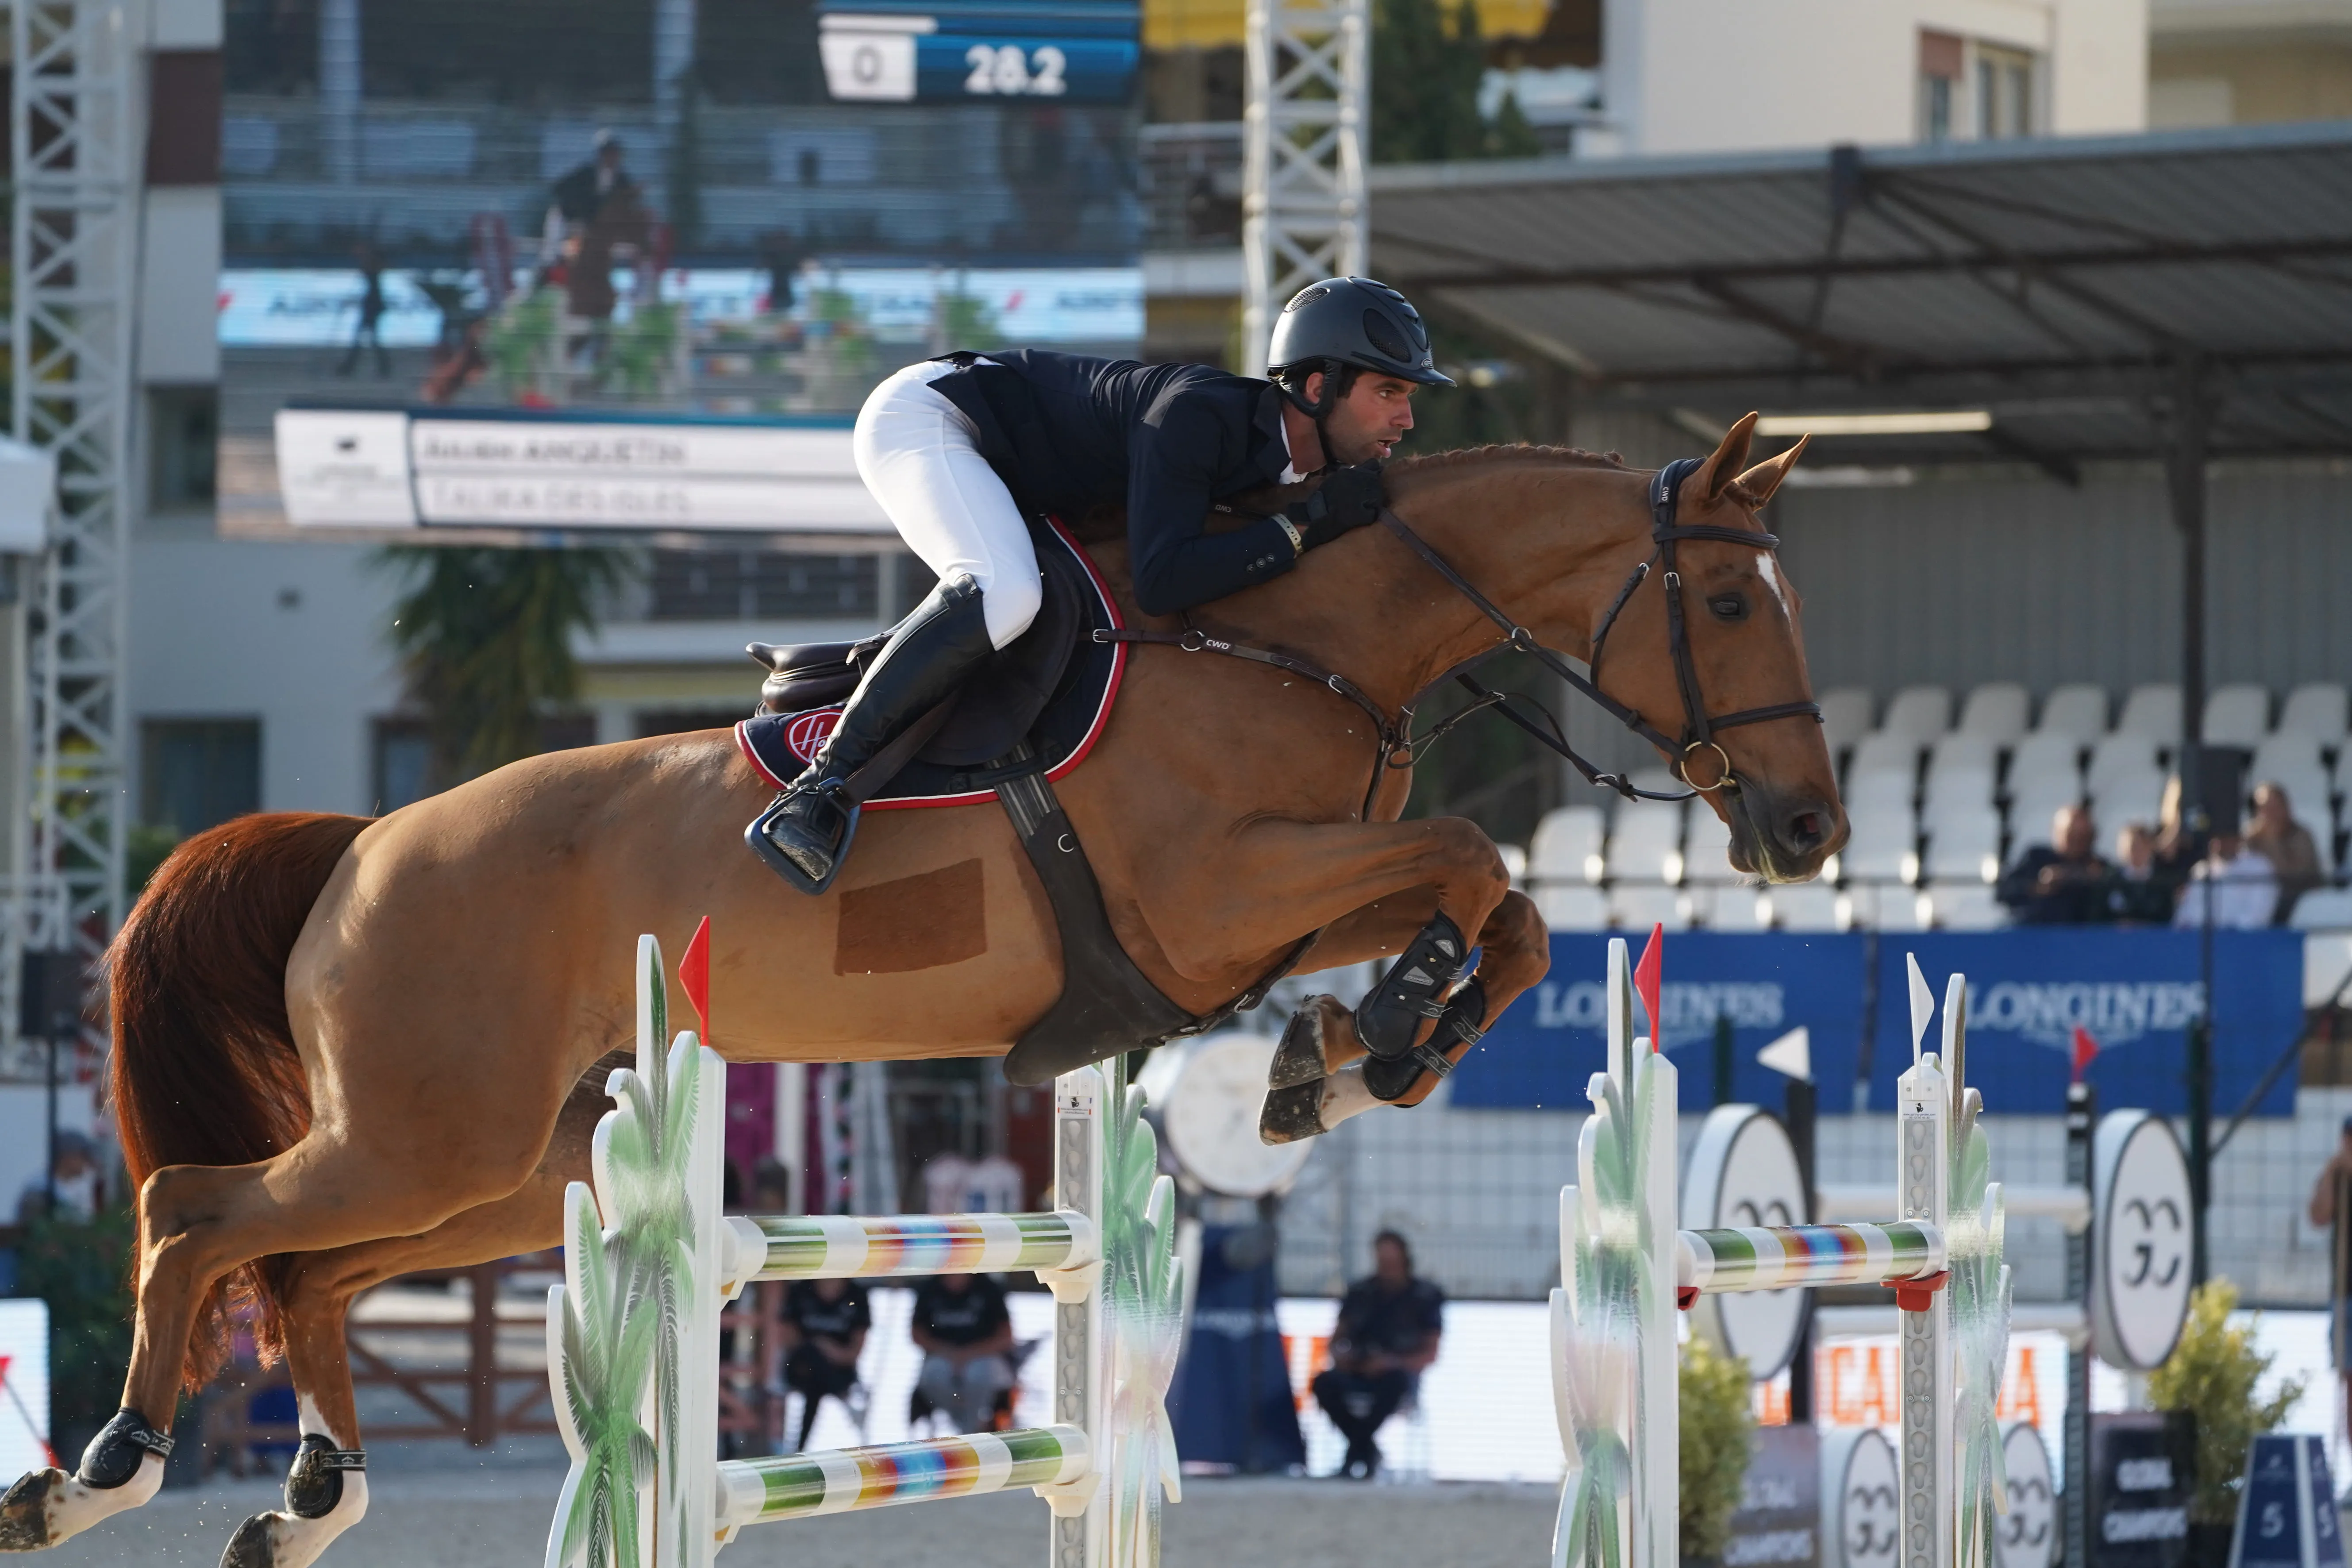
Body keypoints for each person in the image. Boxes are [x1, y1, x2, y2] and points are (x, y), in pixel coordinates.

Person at [747, 276, 1454, 893]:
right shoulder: (1197, 415)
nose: (1406, 417)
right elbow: (1162, 580)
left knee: (1026, 600)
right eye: (1387, 390)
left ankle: (880, 668)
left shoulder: (1295, 469)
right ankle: (819, 790)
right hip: (932, 417)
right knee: (1005, 593)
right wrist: (1305, 530)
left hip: (1020, 472)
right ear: (1316, 386)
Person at [1311, 1230, 1443, 1479]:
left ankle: (1357, 1454)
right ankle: (1365, 1450)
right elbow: (1337, 1341)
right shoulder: (1361, 1293)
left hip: (1396, 1375)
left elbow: (1430, 1353)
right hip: (1357, 1371)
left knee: (1395, 1383)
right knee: (1323, 1383)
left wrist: (1391, 1362)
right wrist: (1347, 1359)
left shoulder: (1424, 1297)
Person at [908, 1271, 1016, 1433]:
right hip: (942, 1357)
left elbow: (1006, 1337)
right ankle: (959, 1426)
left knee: (979, 1374)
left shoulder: (988, 1288)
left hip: (984, 1358)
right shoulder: (930, 1288)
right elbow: (917, 1334)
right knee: (934, 1374)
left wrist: (969, 1354)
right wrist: (949, 1354)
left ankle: (976, 1428)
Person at [776, 1277, 870, 1452]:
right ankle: (801, 1447)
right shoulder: (801, 1290)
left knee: (816, 1379)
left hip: (838, 1373)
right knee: (812, 1365)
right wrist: (821, 1347)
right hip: (801, 1369)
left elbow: (854, 1352)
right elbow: (787, 1338)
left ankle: (800, 1448)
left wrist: (827, 1349)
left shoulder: (856, 1295)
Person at [1995, 804, 2114, 924]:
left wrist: (2097, 882)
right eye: (2071, 835)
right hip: (2036, 931)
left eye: (2083, 836)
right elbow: (2004, 893)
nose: (2077, 841)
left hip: (2083, 934)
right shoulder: (2036, 858)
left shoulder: (2100, 867)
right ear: (2057, 833)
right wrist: (2039, 887)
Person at [2310, 1118, 2352, 1455]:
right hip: (2345, 1293)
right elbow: (2319, 1215)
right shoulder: (2337, 1178)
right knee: (2349, 1382)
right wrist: (2332, 1168)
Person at [2247, 781, 2325, 923]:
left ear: (2287, 807)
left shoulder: (2302, 835)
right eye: (2264, 808)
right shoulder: (2252, 837)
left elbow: (2295, 876)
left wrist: (2273, 841)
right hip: (2260, 898)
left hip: (2299, 898)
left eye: (2275, 807)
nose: (2270, 814)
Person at [2173, 829, 2280, 929]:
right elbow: (2186, 916)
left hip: (2246, 942)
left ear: (2238, 838)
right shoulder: (2201, 870)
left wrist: (2229, 930)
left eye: (2226, 837)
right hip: (2202, 942)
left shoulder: (2259, 867)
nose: (2221, 843)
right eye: (2216, 838)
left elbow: (2259, 917)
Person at [2103, 822, 2176, 924]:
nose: (2134, 852)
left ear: (2150, 847)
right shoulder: (2112, 881)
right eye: (2129, 847)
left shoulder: (2161, 880)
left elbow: (2167, 915)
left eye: (2139, 846)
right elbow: (2103, 915)